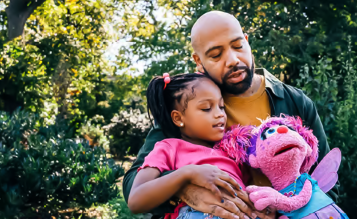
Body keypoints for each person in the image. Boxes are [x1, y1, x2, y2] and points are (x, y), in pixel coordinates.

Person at [123, 11, 330, 219]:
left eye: (238, 46)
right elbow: (133, 184)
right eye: (215, 55)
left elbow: (325, 180)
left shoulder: (295, 101)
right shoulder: (190, 104)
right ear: (199, 61)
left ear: (247, 42)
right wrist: (185, 187)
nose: (232, 60)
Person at [128, 72, 252, 219]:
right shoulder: (168, 148)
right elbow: (136, 200)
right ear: (178, 118)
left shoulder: (231, 149)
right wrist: (188, 174)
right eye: (206, 108)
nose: (220, 114)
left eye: (221, 106)